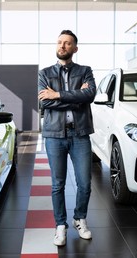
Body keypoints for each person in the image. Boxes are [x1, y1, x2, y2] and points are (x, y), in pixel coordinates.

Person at [38, 30, 97, 246]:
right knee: (57, 184)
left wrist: (58, 94)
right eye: (60, 42)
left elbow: (90, 95)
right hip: (55, 135)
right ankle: (60, 225)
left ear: (75, 48)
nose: (63, 46)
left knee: (85, 183)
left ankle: (79, 219)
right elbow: (45, 103)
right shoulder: (44, 73)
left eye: (68, 43)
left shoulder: (85, 71)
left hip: (80, 134)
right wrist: (76, 98)